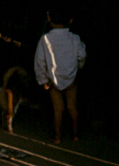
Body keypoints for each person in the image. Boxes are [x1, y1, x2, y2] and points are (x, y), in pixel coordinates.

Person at [34, 8, 86, 144]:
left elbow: (40, 61)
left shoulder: (45, 39)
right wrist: (79, 66)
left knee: (58, 109)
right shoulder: (75, 39)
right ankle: (76, 135)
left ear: (49, 19)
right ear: (70, 20)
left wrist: (43, 79)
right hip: (71, 79)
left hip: (53, 80)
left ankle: (57, 137)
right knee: (72, 107)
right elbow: (82, 55)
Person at [0, 66, 28, 133]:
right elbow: (10, 107)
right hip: (7, 91)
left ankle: (7, 123)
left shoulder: (18, 89)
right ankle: (7, 124)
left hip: (12, 91)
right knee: (9, 108)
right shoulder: (9, 89)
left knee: (12, 108)